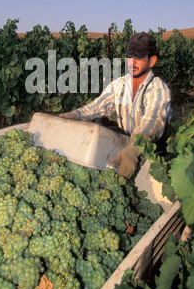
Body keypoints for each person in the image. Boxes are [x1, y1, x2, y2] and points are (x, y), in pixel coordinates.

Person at [59, 32, 172, 179]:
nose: (132, 63)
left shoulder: (158, 89)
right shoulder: (120, 85)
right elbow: (97, 107)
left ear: (152, 61)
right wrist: (75, 115)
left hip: (151, 153)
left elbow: (154, 121)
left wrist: (135, 147)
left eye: (138, 58)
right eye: (130, 57)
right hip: (125, 145)